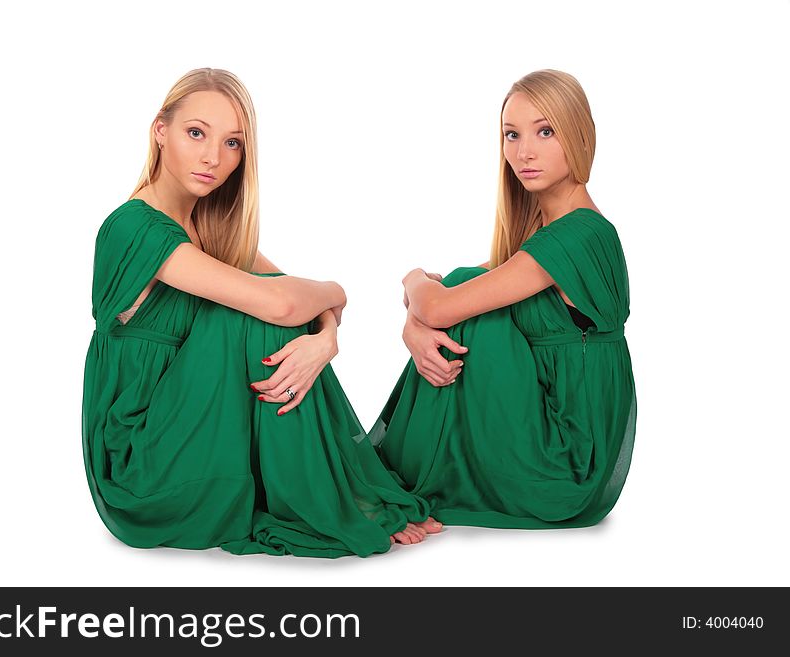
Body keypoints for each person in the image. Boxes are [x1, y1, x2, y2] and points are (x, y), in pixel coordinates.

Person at [82, 68, 436, 557]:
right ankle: (328, 497)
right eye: (196, 133)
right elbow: (287, 302)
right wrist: (335, 294)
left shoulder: (207, 227)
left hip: (198, 432)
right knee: (254, 312)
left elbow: (293, 296)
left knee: (264, 304)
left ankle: (330, 490)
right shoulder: (133, 228)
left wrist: (325, 337)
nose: (213, 157)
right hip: (141, 465)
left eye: (232, 143)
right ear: (159, 131)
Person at [371, 69, 637, 530]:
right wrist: (415, 327)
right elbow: (456, 300)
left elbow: (437, 305)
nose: (523, 151)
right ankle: (402, 470)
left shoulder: (580, 234)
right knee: (470, 285)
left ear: (579, 135)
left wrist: (413, 280)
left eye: (545, 131)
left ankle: (397, 475)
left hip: (565, 462)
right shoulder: (550, 233)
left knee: (461, 292)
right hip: (556, 441)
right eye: (511, 134)